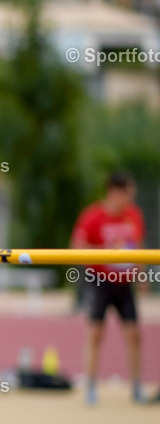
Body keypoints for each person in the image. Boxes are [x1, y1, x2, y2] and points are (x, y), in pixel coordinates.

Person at [71, 171, 147, 405]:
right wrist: (106, 250)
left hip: (124, 283)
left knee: (134, 334)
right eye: (128, 192)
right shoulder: (93, 216)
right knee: (95, 332)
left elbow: (140, 246)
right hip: (100, 280)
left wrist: (142, 275)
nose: (131, 197)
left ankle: (136, 386)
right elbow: (76, 248)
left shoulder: (133, 215)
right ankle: (91, 386)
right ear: (114, 191)